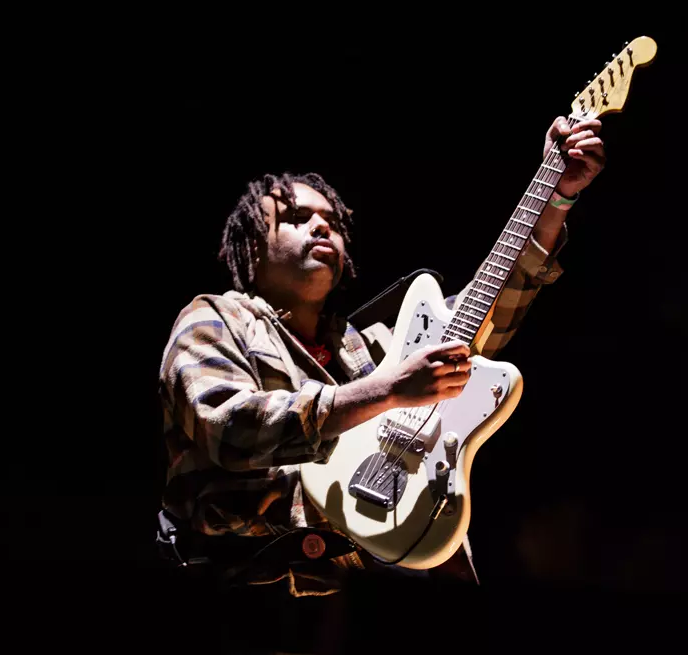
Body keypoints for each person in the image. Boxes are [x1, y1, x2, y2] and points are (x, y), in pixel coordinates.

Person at [156, 116, 606, 600]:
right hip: (259, 600)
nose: (320, 224)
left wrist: (555, 197)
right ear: (252, 246)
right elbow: (228, 427)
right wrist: (387, 389)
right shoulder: (214, 317)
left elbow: (488, 307)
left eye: (331, 220)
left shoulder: (368, 347)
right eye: (295, 217)